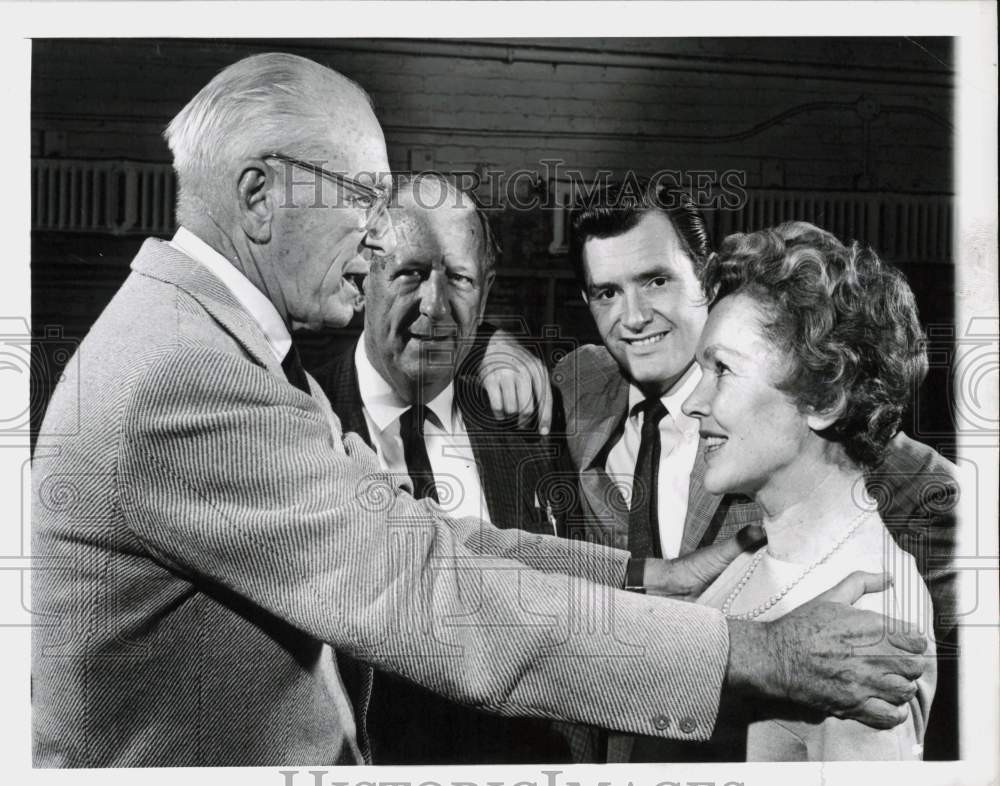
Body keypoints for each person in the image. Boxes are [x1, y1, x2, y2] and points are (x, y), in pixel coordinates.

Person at [31, 53, 928, 768]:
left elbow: (428, 539)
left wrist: (652, 579)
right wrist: (761, 656)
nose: (376, 236)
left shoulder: (210, 342)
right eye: (362, 198)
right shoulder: (187, 372)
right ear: (259, 196)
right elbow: (429, 593)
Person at [480, 179, 958, 760]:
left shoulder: (818, 424)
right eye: (606, 293)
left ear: (704, 278)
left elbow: (885, 452)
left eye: (656, 280)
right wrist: (491, 341)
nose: (633, 317)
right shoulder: (580, 385)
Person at [311, 174, 580, 763]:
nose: (434, 305)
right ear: (363, 276)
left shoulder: (526, 423)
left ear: (484, 295)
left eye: (458, 278)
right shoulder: (302, 418)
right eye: (410, 273)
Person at [678, 221, 936, 760]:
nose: (692, 403)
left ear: (824, 399)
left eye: (722, 369)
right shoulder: (755, 555)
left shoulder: (869, 612)